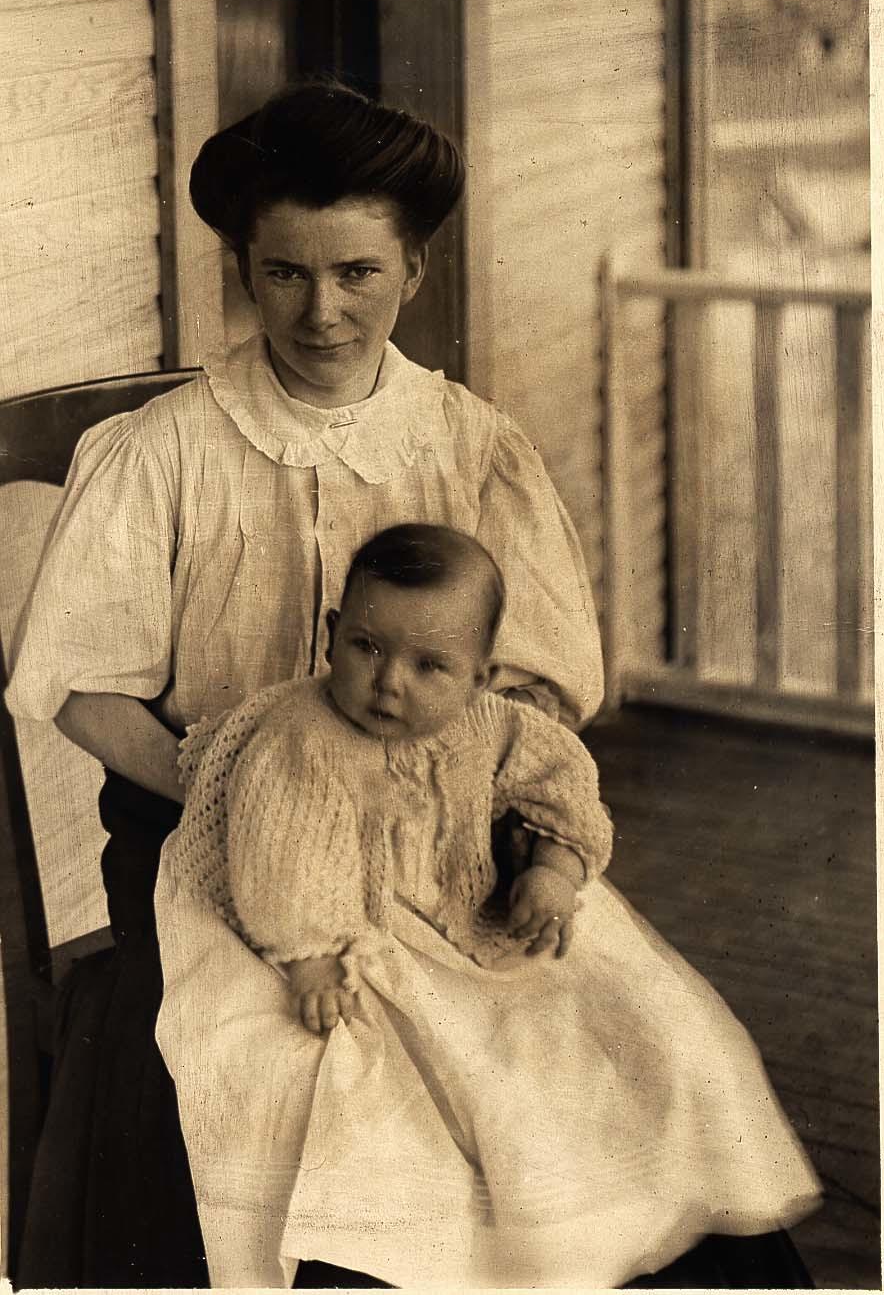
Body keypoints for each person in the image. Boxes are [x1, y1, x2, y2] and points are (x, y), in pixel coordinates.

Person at [4, 82, 604, 1288]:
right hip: (200, 838)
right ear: (243, 269)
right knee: (266, 1055)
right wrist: (248, 787)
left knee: (563, 1038)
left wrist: (456, 807)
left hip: (443, 843)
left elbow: (536, 680)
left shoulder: (469, 446)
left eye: (356, 274)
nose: (321, 311)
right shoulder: (162, 449)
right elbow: (78, 682)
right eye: (283, 274)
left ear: (412, 272)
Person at [155, 524, 821, 1289]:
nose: (388, 683)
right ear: (332, 635)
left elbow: (565, 791)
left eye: (429, 665)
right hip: (361, 927)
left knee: (620, 1024)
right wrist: (308, 957)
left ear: (480, 677)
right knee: (427, 1070)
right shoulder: (299, 738)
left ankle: (639, 1229)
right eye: (367, 647)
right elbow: (279, 866)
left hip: (465, 912)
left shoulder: (495, 726)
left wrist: (553, 871)